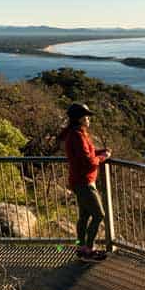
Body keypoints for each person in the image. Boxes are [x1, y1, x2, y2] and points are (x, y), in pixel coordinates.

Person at [59, 102, 112, 259]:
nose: (89, 118)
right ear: (80, 119)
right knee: (98, 215)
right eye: (87, 116)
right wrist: (104, 157)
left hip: (79, 181)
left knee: (84, 216)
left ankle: (81, 248)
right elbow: (89, 161)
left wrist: (101, 151)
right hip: (84, 182)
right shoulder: (77, 136)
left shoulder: (77, 133)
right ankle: (88, 249)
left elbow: (88, 153)